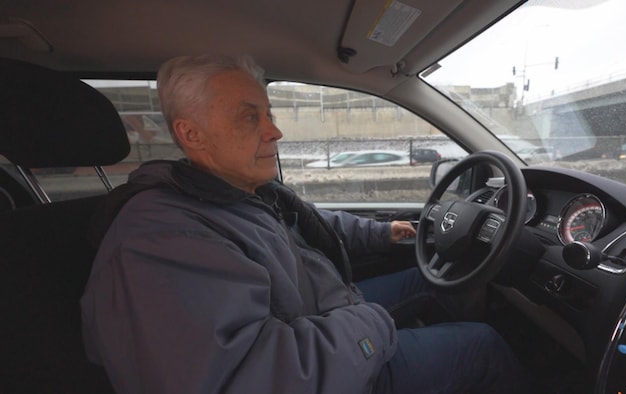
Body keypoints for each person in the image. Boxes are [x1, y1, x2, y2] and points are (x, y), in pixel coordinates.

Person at [81, 54, 528, 393]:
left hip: (320, 313)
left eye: (269, 113)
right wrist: (371, 326)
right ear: (192, 134)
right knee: (481, 343)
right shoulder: (160, 239)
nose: (274, 131)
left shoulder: (228, 194)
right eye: (249, 116)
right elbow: (250, 378)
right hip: (331, 363)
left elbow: (300, 227)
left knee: (426, 279)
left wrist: (383, 232)